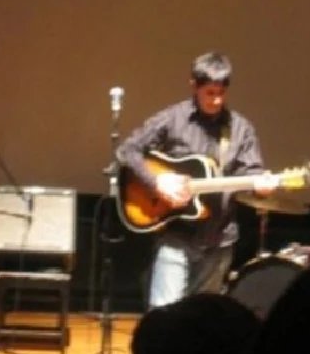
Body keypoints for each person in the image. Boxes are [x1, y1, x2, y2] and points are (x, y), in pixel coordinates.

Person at [116, 52, 276, 309]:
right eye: (209, 93)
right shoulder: (173, 119)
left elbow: (252, 173)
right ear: (194, 86)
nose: (216, 100)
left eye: (221, 93)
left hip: (220, 239)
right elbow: (128, 150)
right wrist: (158, 182)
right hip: (176, 235)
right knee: (164, 315)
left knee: (202, 318)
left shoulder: (241, 129)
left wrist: (261, 188)